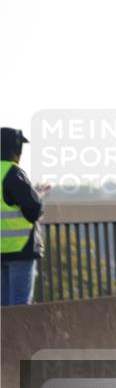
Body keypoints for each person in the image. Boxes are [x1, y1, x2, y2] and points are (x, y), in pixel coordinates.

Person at [1, 128, 48, 306]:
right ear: (16, 149)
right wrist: (39, 196)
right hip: (20, 249)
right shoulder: (13, 173)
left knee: (3, 308)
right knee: (20, 307)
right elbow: (33, 209)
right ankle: (17, 336)